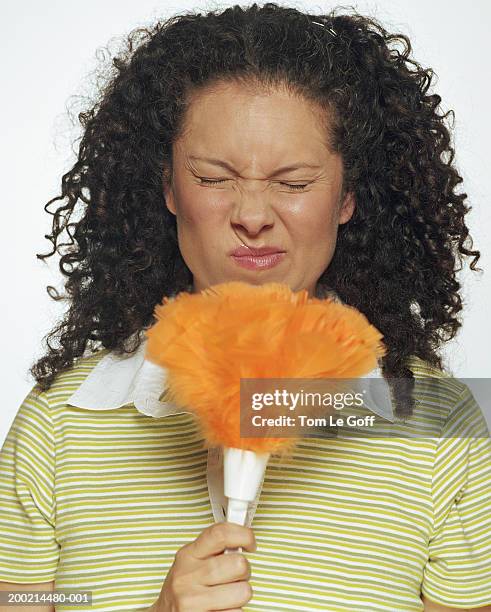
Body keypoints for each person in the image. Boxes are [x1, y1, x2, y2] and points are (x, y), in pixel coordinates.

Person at [1, 3, 490, 611]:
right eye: (212, 178)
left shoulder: (445, 427)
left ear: (347, 197)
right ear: (169, 188)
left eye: (294, 183)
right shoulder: (60, 423)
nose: (253, 217)